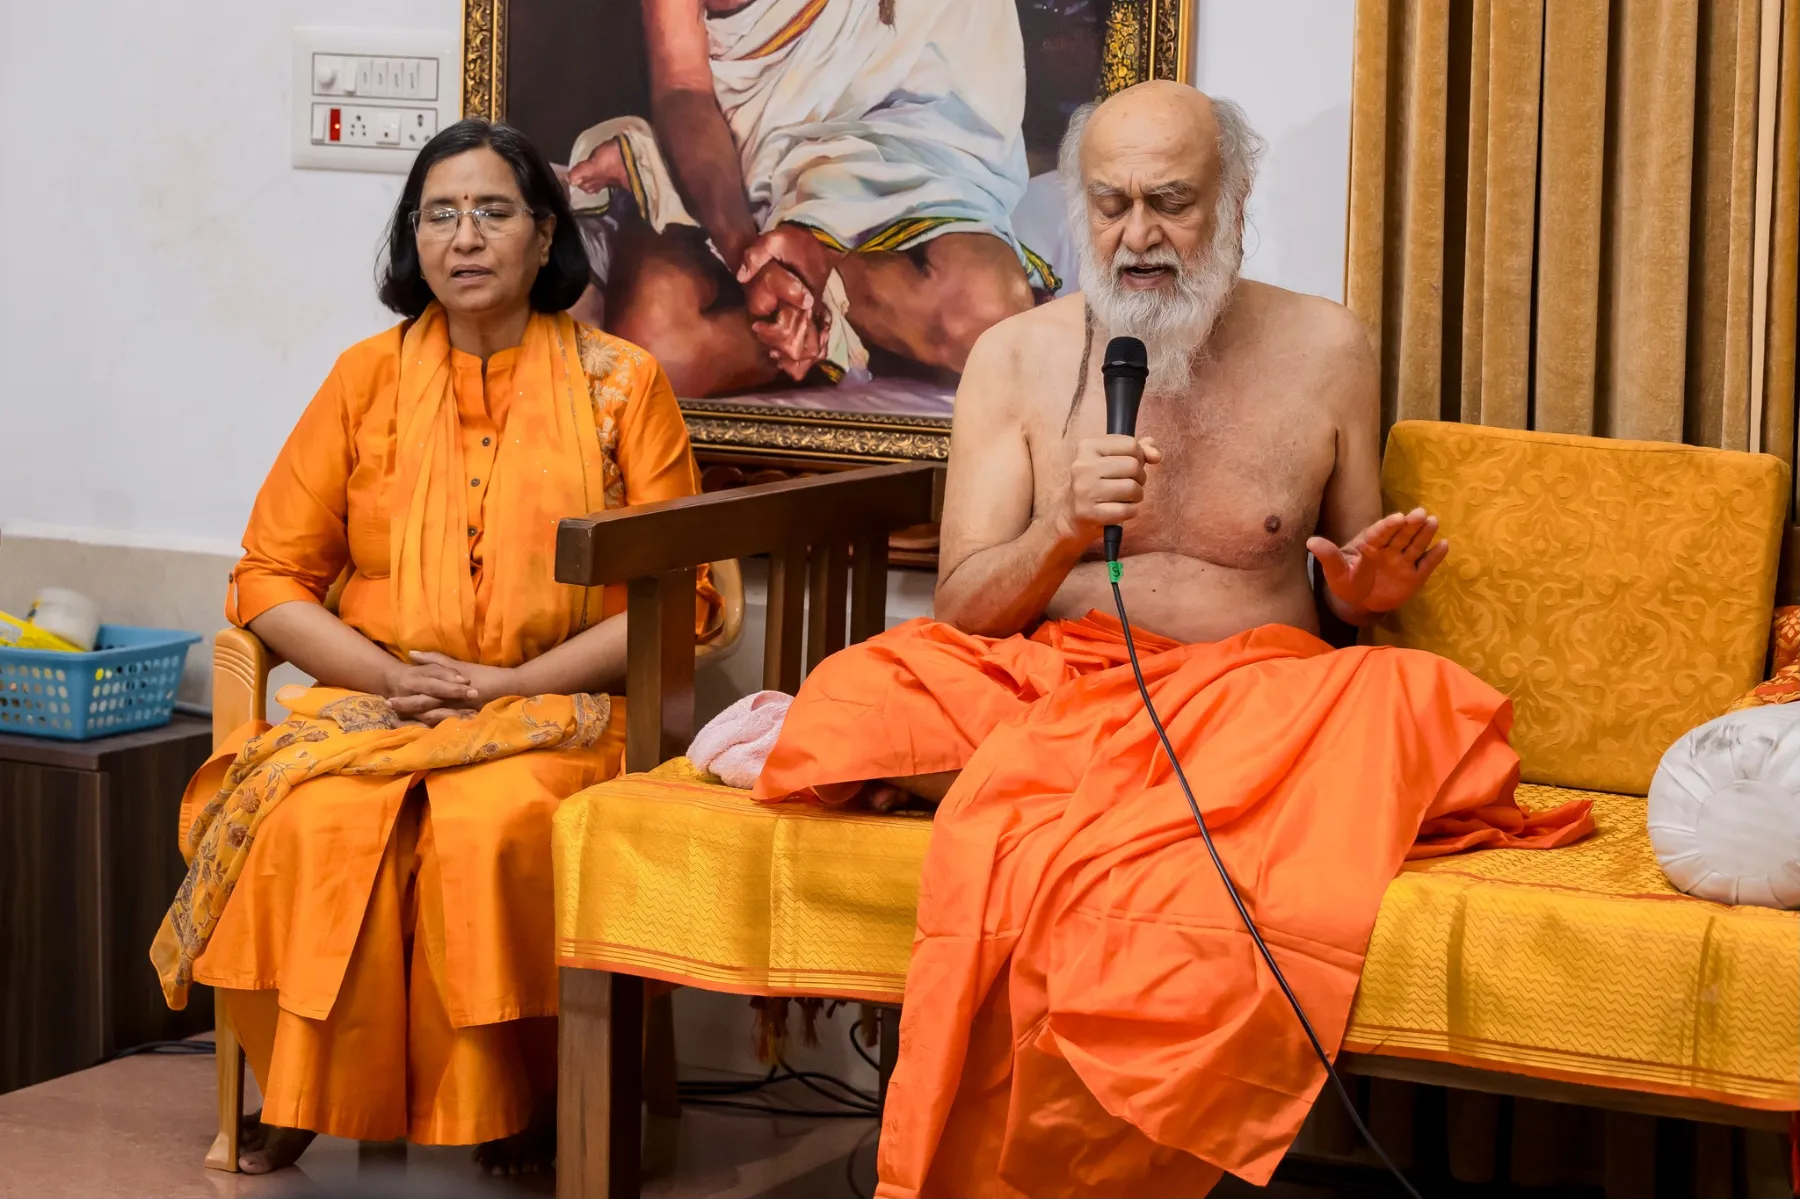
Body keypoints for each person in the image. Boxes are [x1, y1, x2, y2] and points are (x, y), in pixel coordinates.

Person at [750, 83, 1594, 1196]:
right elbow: (964, 606)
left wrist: (1364, 590)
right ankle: (1126, 801)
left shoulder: (1327, 345)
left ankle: (1085, 809)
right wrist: (1060, 528)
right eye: (1112, 204)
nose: (1138, 235)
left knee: (1416, 702)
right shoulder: (1014, 356)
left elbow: (1347, 576)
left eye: (1171, 202)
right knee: (859, 689)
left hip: (1256, 704)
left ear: (1233, 200)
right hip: (1061, 687)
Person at [149, 118, 717, 1175]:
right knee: (316, 819)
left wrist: (510, 682)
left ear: (545, 236)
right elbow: (268, 577)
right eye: (440, 214)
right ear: (413, 238)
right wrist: (386, 676)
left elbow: (678, 600)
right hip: (383, 703)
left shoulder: (622, 382)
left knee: (488, 826)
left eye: (493, 211)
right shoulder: (363, 380)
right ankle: (306, 1088)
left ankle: (524, 1100)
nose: (465, 236)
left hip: (559, 711)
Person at [562, 0, 1057, 396]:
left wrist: (817, 241)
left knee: (985, 313)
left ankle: (818, 302)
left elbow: (945, 120)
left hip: (897, 178)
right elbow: (684, 90)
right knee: (656, 351)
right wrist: (746, 253)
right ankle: (836, 322)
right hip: (729, 173)